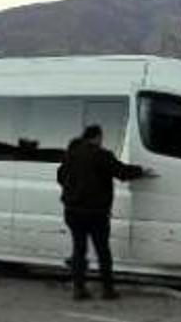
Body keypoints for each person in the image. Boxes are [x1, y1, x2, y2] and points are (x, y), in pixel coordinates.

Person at [57, 124, 150, 301]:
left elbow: (60, 177)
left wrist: (74, 191)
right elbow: (121, 172)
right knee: (102, 251)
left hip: (73, 211)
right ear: (97, 137)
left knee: (79, 249)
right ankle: (108, 290)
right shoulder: (101, 155)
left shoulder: (70, 154)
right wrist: (141, 171)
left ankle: (79, 289)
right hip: (95, 212)